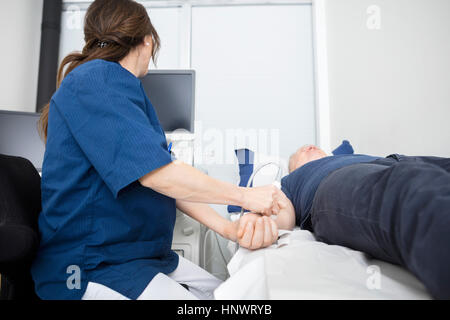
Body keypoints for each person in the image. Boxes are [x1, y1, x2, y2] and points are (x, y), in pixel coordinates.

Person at [31, 0, 282, 300]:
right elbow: (157, 175)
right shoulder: (97, 79)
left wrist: (229, 230)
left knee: (225, 293)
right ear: (148, 41)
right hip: (88, 267)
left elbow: (167, 181)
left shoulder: (116, 90)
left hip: (135, 259)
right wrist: (245, 195)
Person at [238, 144, 450, 299]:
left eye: (313, 146)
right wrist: (259, 222)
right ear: (293, 168)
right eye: (301, 152)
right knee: (412, 189)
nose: (308, 147)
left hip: (397, 159)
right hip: (336, 180)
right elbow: (282, 214)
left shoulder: (360, 154)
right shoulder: (291, 181)